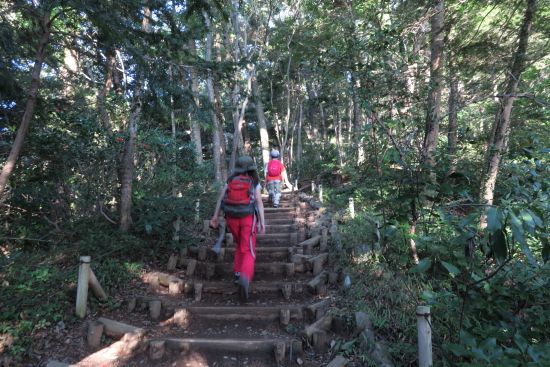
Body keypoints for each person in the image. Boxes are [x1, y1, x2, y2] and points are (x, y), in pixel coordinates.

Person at [210, 156, 265, 300]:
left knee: (240, 244)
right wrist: (262, 222)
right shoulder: (254, 182)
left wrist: (215, 216)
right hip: (248, 218)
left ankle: (237, 273)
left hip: (231, 217)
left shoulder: (231, 180)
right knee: (249, 248)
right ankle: (245, 276)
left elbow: (221, 198)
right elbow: (259, 202)